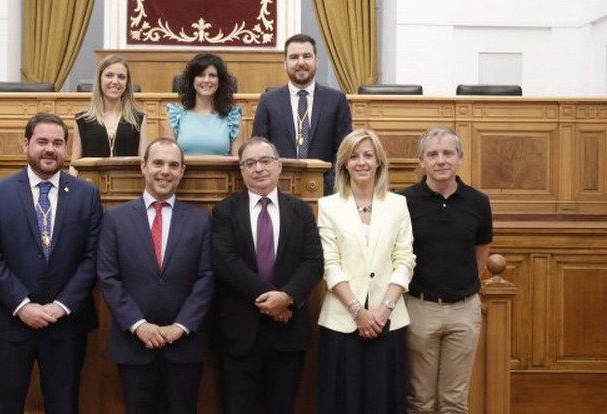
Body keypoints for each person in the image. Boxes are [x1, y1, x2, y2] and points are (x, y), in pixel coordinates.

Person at [0, 112, 103, 414]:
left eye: (58, 143)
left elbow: (93, 257)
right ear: (26, 144)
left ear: (66, 149)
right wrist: (23, 305)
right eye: (42, 141)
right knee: (5, 405)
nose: (50, 149)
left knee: (64, 405)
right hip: (10, 321)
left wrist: (60, 306)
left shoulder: (87, 194)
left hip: (66, 324)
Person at [97, 138, 214, 414]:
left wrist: (180, 326)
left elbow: (207, 277)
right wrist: (138, 325)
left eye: (173, 165)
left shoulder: (201, 220)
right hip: (134, 342)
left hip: (184, 344)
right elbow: (108, 276)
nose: (165, 171)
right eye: (158, 163)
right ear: (143, 166)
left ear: (182, 171)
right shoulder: (116, 218)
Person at [211, 137, 324, 414]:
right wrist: (273, 302)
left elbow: (313, 262)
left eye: (265, 161)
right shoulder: (225, 211)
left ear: (279, 165)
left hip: (289, 332)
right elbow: (226, 263)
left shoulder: (301, 211)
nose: (258, 168)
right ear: (241, 170)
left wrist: (286, 298)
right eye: (250, 163)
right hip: (239, 333)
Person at [316, 129, 416, 414]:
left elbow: (405, 259)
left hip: (389, 320)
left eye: (368, 156)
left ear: (379, 162)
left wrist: (383, 310)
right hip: (343, 320)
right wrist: (359, 311)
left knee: (382, 401)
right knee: (343, 402)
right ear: (344, 164)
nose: (361, 162)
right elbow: (330, 264)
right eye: (354, 156)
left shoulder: (398, 204)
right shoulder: (328, 206)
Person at [401, 127, 492, 414]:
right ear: (421, 161)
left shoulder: (478, 202)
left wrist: (464, 289)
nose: (441, 160)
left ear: (460, 157)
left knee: (455, 401)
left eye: (448, 153)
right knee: (420, 401)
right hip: (419, 307)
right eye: (433, 154)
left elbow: (481, 251)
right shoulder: (403, 202)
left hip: (464, 311)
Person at [252, 33, 352, 195]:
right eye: (294, 57)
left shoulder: (336, 100)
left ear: (316, 61)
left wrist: (326, 185)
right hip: (279, 189)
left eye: (307, 56)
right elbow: (258, 148)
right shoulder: (268, 101)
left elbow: (344, 150)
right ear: (284, 63)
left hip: (325, 191)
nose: (301, 62)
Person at [164, 52, 243, 156]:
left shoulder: (233, 117)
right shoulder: (174, 115)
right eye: (201, 75)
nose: (206, 80)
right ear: (192, 81)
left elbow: (237, 162)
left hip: (221, 172)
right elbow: (168, 158)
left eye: (212, 75)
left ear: (220, 81)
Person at [73, 55, 148, 158]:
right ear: (100, 80)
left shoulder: (139, 119)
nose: (115, 81)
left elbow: (144, 163)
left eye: (121, 77)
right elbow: (75, 164)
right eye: (109, 75)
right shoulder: (82, 120)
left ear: (127, 83)